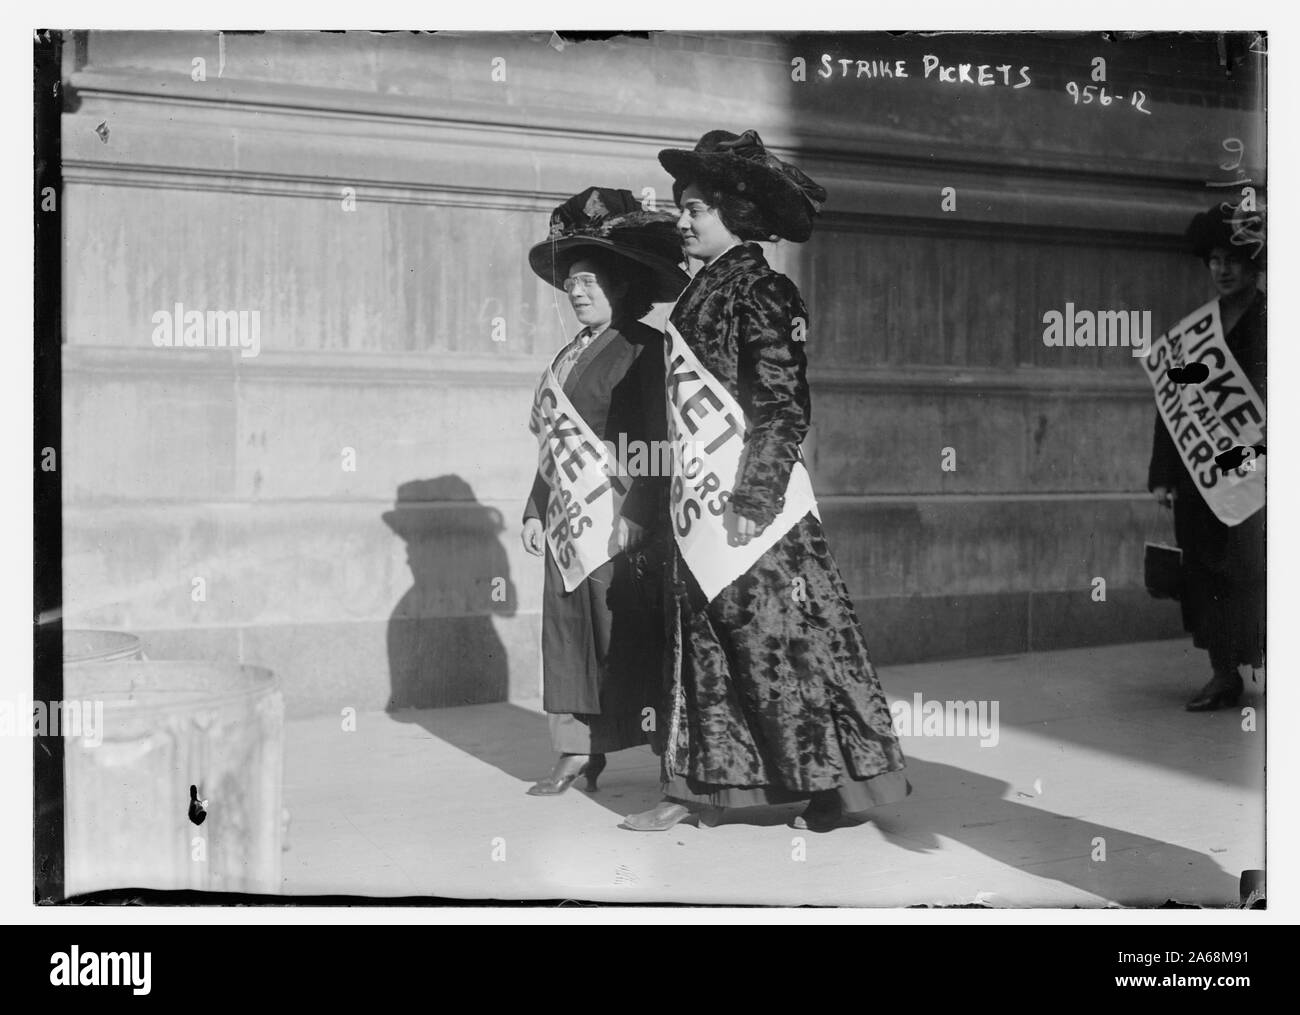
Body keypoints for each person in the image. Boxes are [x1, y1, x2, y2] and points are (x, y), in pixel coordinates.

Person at [622, 130, 910, 832]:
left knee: (788, 648)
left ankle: (834, 788)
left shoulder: (761, 289)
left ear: (734, 215)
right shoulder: (701, 292)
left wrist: (754, 496)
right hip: (702, 502)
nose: (680, 220)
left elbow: (782, 405)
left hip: (759, 512)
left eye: (693, 208)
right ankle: (703, 788)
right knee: (717, 649)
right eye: (679, 208)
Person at [522, 187, 688, 794]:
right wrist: (536, 508)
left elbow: (659, 442)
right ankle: (576, 750)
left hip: (623, 521)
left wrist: (639, 513)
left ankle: (669, 752)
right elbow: (553, 447)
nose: (578, 290)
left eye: (592, 279)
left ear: (621, 284)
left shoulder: (646, 350)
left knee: (628, 637)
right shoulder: (568, 356)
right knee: (568, 634)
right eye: (573, 281)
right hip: (569, 520)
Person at [1148, 204, 1266, 711]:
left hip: (1259, 471)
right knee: (1205, 568)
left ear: (1255, 263)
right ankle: (1223, 672)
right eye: (1214, 259)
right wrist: (1163, 475)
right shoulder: (1196, 332)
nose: (1222, 269)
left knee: (1253, 568)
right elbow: (1172, 404)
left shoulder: (1275, 324)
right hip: (1203, 474)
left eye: (1234, 259)